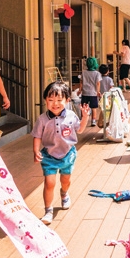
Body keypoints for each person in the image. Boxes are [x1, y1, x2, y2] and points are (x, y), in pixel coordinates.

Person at [32, 81, 90, 225]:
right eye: (51, 100)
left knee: (66, 181)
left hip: (68, 155)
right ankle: (48, 210)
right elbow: (37, 136)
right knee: (49, 182)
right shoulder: (42, 119)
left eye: (59, 100)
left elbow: (80, 130)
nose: (55, 104)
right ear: (45, 100)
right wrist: (35, 150)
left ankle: (64, 193)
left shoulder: (71, 116)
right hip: (49, 155)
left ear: (67, 100)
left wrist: (85, 117)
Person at [78, 56, 102, 127]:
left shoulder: (84, 72)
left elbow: (81, 82)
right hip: (93, 93)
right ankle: (93, 121)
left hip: (85, 93)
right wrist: (98, 92)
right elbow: (98, 83)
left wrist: (80, 90)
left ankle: (83, 120)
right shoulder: (97, 74)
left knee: (84, 107)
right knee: (93, 107)